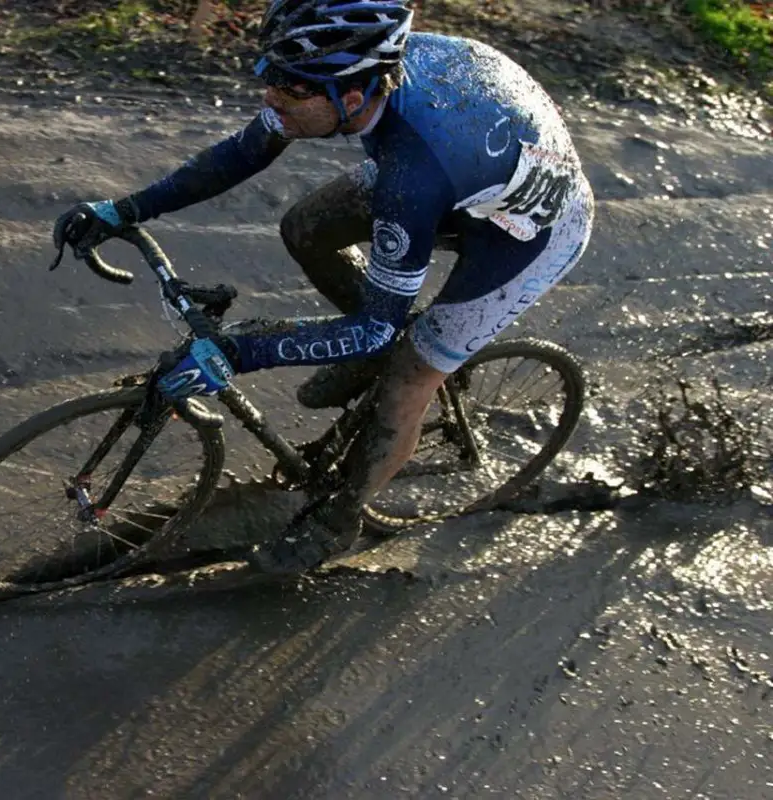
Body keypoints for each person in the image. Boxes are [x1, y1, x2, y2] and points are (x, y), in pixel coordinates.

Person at [52, 0, 595, 574]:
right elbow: (244, 151)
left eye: (291, 91)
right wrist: (125, 208)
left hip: (523, 239)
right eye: (271, 77)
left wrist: (245, 350)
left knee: (409, 373)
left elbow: (377, 321)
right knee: (306, 226)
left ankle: (342, 517)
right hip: (467, 172)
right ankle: (368, 354)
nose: (270, 97)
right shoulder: (350, 80)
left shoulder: (409, 179)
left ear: (351, 99)